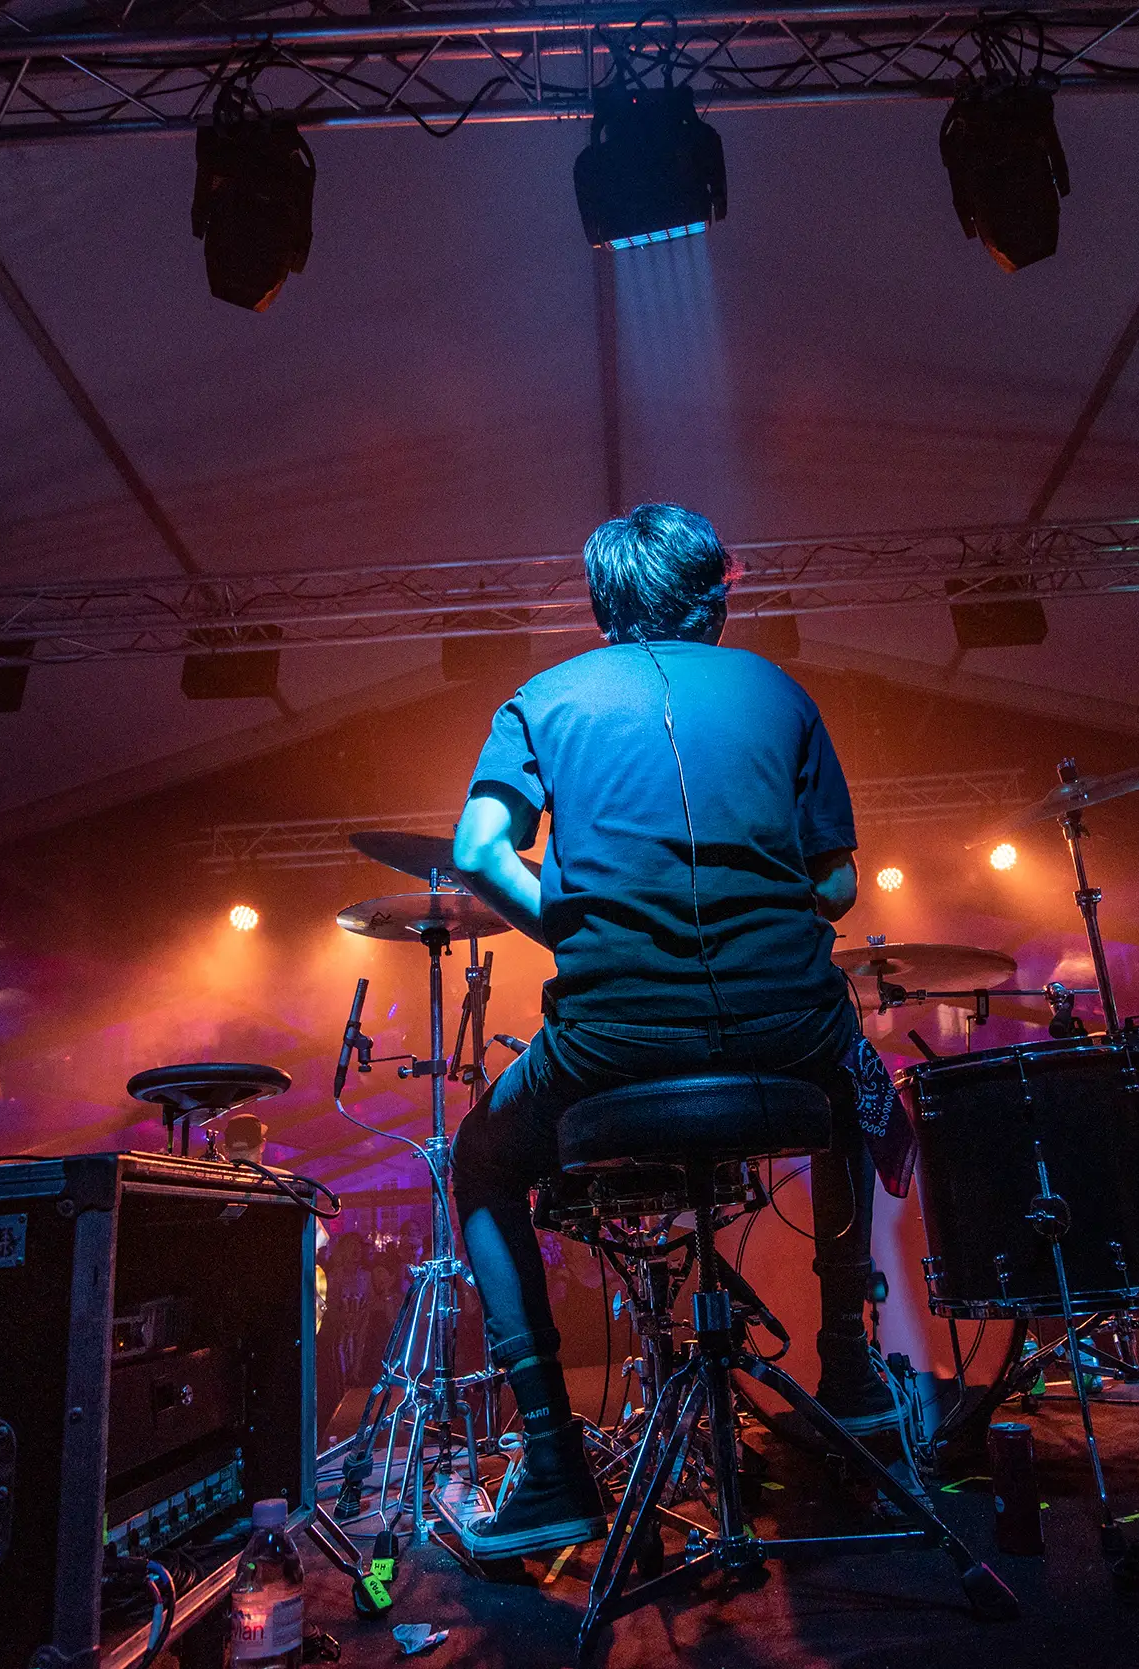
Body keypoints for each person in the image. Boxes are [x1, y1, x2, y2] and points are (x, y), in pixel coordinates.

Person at [447, 502, 898, 1559]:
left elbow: (475, 850)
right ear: (715, 599)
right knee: (853, 1092)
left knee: (480, 1158)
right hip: (787, 1030)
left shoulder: (542, 698)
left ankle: (552, 1464)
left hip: (615, 1037)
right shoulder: (778, 692)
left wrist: (573, 928)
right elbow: (837, 884)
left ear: (601, 606)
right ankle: (850, 1368)